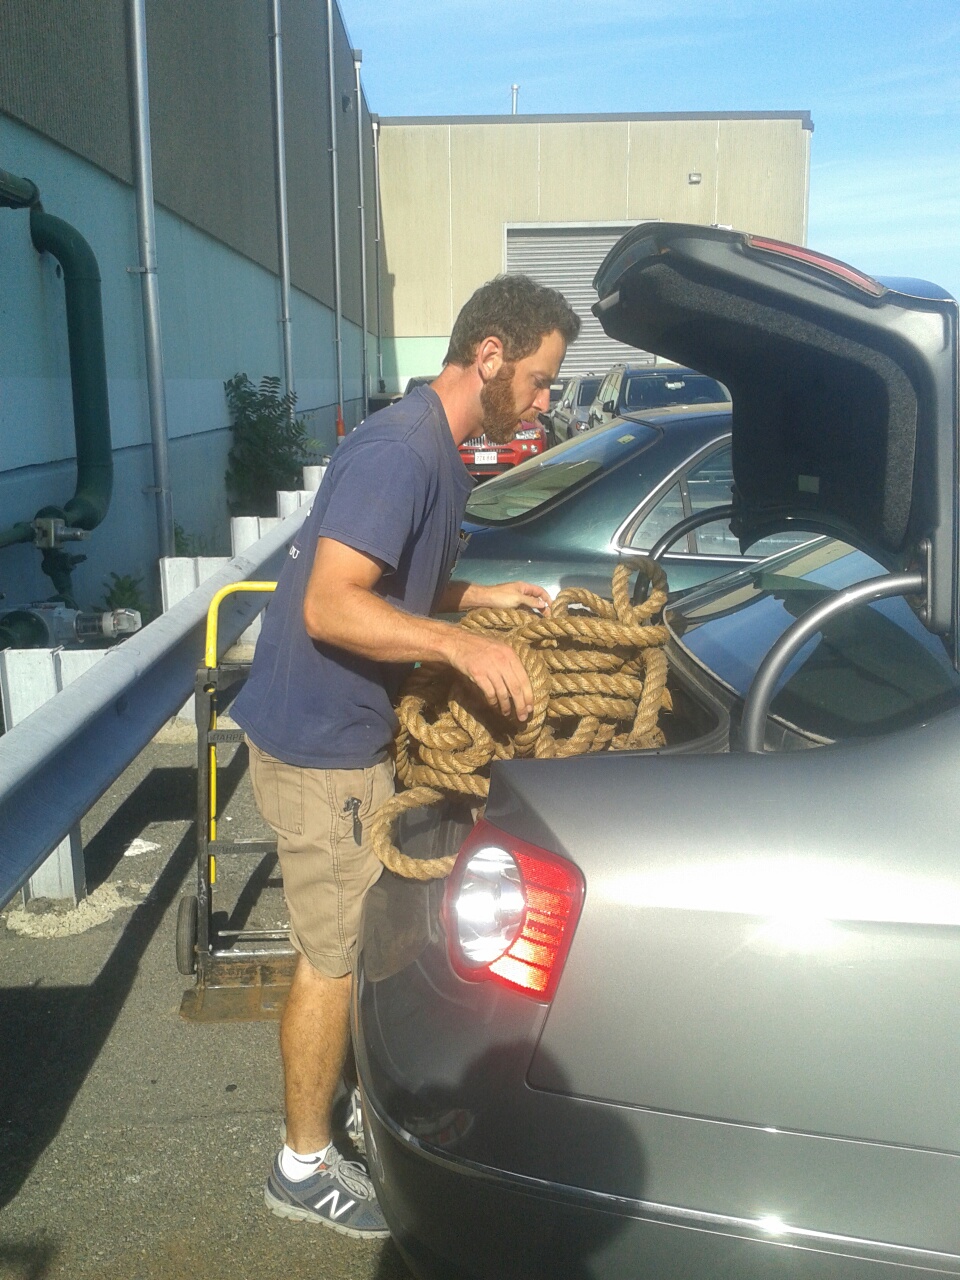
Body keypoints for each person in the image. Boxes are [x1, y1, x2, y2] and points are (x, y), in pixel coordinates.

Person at [231, 273, 580, 1237]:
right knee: (333, 956)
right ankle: (300, 1166)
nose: (545, 402)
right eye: (540, 380)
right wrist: (460, 646)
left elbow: (400, 585)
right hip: (322, 746)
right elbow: (330, 605)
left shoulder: (441, 452)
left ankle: (338, 1107)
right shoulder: (400, 451)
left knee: (356, 942)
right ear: (491, 357)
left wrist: (482, 599)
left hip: (350, 733)